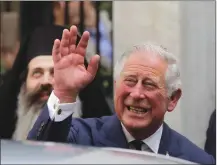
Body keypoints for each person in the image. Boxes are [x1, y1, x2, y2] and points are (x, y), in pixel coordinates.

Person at [27, 25, 215, 164]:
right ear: (116, 87)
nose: (137, 93)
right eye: (130, 81)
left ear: (172, 98)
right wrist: (64, 92)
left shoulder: (195, 160)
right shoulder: (81, 138)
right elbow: (36, 156)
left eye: (149, 85)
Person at [0, 25, 112, 140]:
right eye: (37, 73)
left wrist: (64, 96)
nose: (45, 82)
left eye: (55, 73)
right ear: (23, 84)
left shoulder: (98, 136)